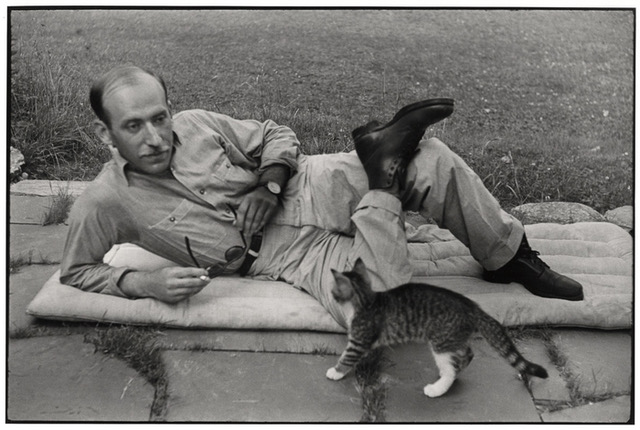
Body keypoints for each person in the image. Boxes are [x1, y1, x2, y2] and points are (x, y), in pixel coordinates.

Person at [60, 65, 583, 328]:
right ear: (107, 136)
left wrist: (268, 181)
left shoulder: (197, 125)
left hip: (305, 184)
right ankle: (383, 175)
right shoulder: (104, 202)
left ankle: (510, 257)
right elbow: (77, 271)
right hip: (285, 257)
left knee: (433, 161)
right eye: (133, 126)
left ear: (170, 109)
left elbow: (276, 133)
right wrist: (141, 280)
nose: (154, 137)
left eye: (160, 116)